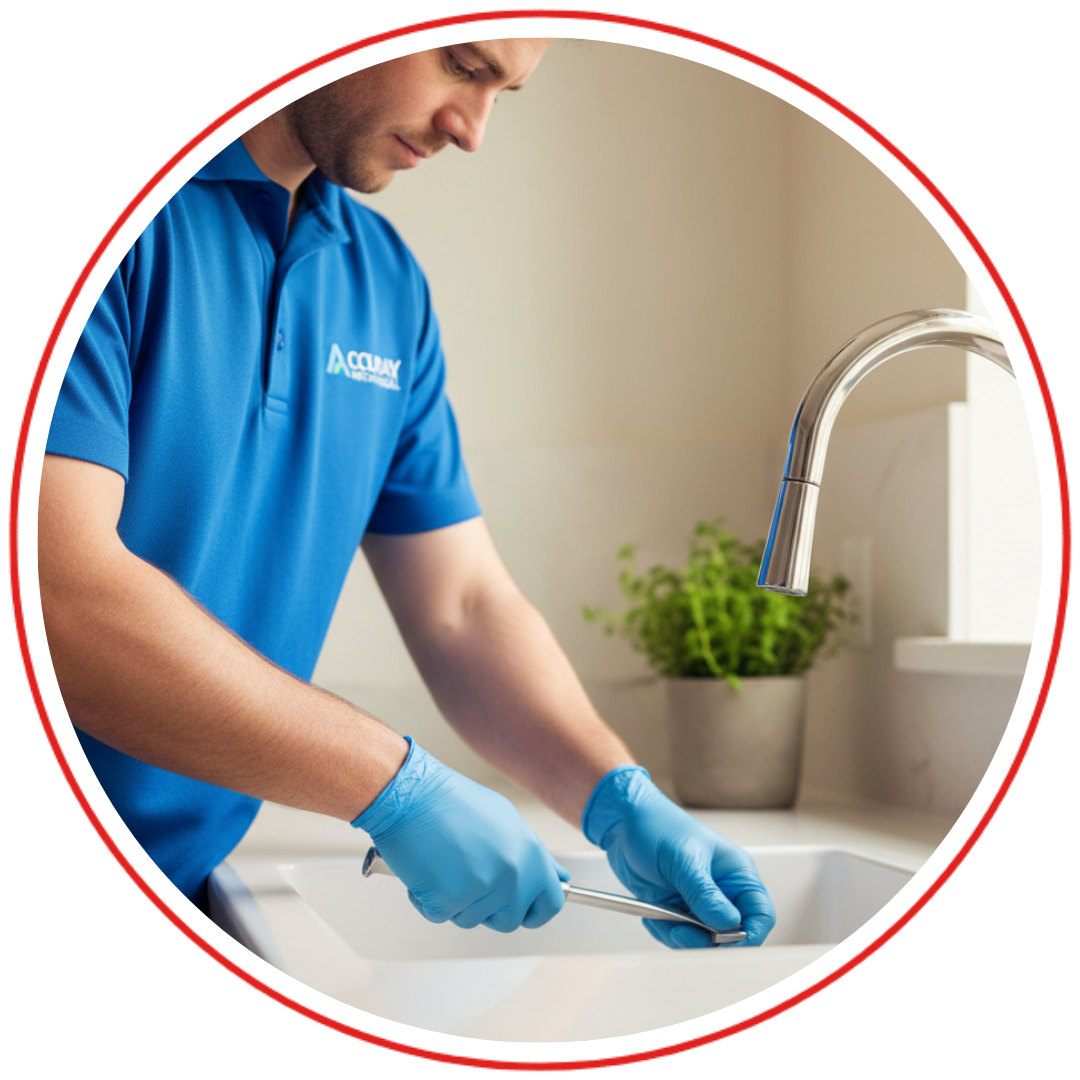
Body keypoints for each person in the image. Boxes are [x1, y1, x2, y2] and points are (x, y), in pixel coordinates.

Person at [37, 38, 776, 948]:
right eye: (463, 67)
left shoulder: (382, 282)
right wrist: (393, 783)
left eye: (507, 93)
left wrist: (616, 794)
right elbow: (59, 604)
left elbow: (461, 606)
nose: (472, 131)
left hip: (187, 883)